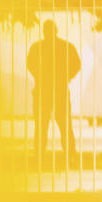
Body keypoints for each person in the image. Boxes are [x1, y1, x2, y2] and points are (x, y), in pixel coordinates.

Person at [26, 19, 81, 160]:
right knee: (62, 126)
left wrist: (39, 75)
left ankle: (40, 155)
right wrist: (67, 76)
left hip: (45, 91)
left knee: (43, 126)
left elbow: (30, 64)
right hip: (57, 90)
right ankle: (70, 155)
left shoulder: (37, 47)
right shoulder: (66, 47)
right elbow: (76, 64)